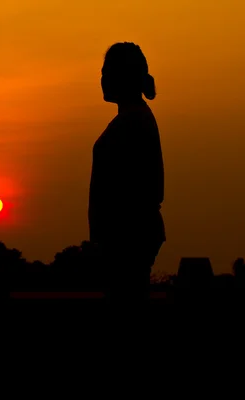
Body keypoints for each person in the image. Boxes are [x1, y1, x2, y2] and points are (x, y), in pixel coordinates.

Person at [88, 42, 166, 302]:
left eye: (107, 73)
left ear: (124, 76)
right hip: (124, 238)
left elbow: (135, 189)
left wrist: (109, 239)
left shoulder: (133, 122)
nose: (102, 80)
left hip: (127, 240)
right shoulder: (132, 119)